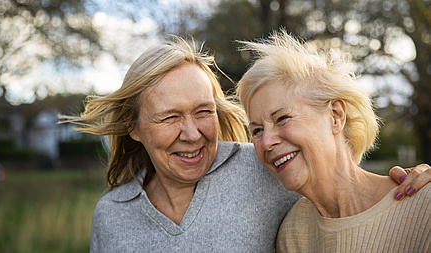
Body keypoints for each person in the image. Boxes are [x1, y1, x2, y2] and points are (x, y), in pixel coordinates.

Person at [61, 36, 429, 252]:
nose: (191, 134)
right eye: (170, 117)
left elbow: (336, 179)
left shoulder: (265, 166)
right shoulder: (111, 216)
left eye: (203, 111)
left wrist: (418, 181)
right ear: (135, 127)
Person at [237, 30, 431, 252]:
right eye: (257, 130)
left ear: (336, 116)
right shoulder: (292, 234)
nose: (266, 142)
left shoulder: (424, 207)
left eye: (282, 118)